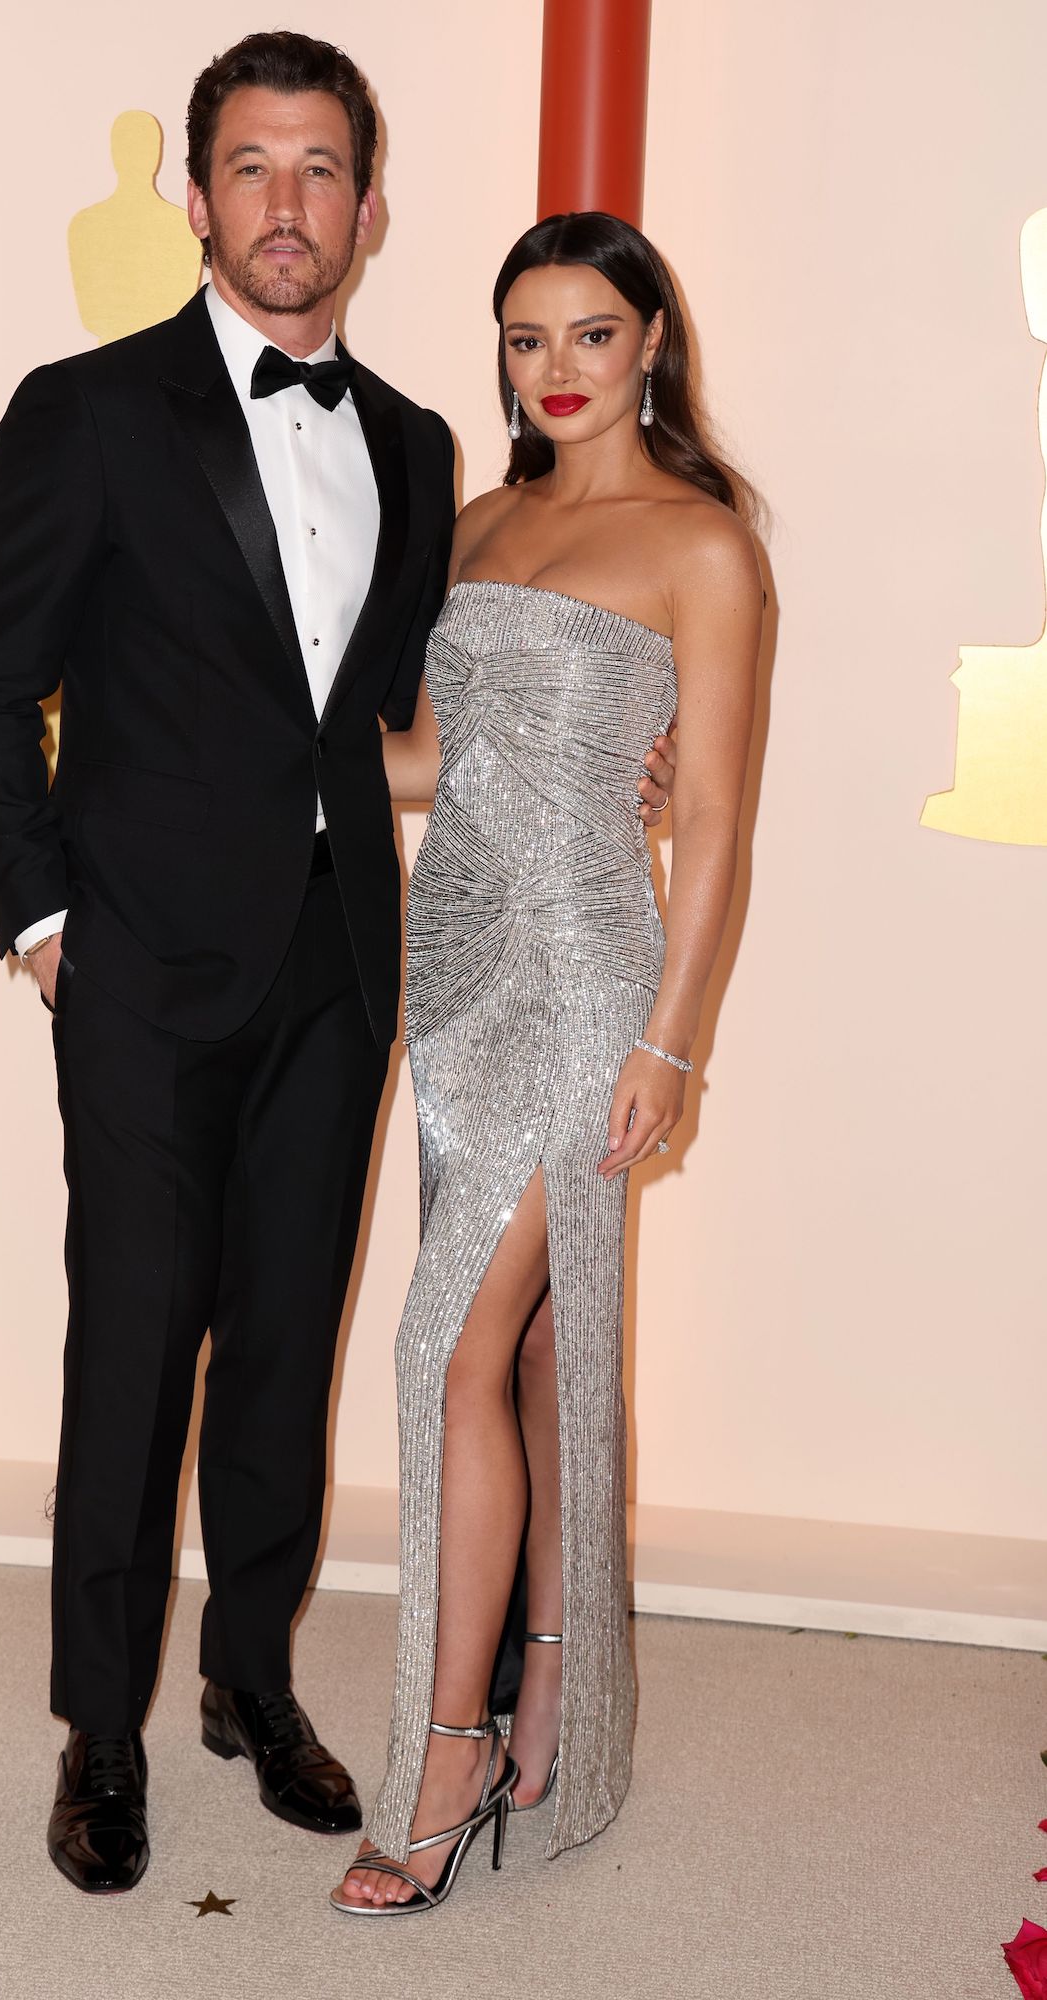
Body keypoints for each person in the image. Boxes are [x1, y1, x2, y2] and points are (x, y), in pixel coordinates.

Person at [0, 34, 676, 1897]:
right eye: (252, 168)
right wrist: (45, 928)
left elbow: (406, 719)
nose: (287, 204)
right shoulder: (85, 410)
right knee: (133, 1352)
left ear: (369, 207)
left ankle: (248, 1680)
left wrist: (616, 753)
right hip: (137, 972)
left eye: (320, 168)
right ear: (199, 200)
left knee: (284, 1348)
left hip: (344, 971)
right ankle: (100, 1729)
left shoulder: (419, 446)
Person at [332, 211, 761, 1916]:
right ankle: (554, 1692)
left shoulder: (700, 545)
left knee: (441, 1343)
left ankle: (442, 1758)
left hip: (589, 981)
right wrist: (234, 734)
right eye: (525, 338)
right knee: (522, 1347)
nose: (555, 368)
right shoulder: (480, 523)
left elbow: (710, 816)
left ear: (650, 341)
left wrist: (672, 1040)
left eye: (590, 333)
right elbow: (431, 761)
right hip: (451, 970)